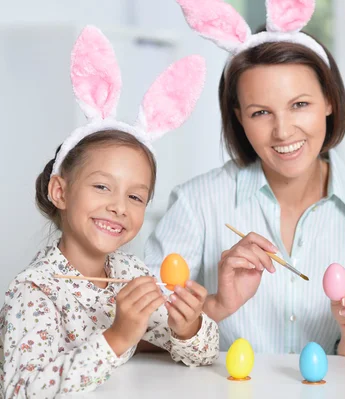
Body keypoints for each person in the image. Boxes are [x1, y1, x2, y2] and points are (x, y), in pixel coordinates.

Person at [144, 0, 345, 356]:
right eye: (261, 112)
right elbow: (138, 334)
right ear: (240, 118)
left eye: (300, 105)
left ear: (329, 101)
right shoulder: (197, 202)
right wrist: (216, 305)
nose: (283, 131)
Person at [0, 26, 218, 398]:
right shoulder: (34, 291)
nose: (119, 206)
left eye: (136, 197)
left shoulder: (130, 274)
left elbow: (203, 354)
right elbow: (21, 390)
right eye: (102, 187)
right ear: (60, 191)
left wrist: (189, 325)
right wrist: (116, 336)